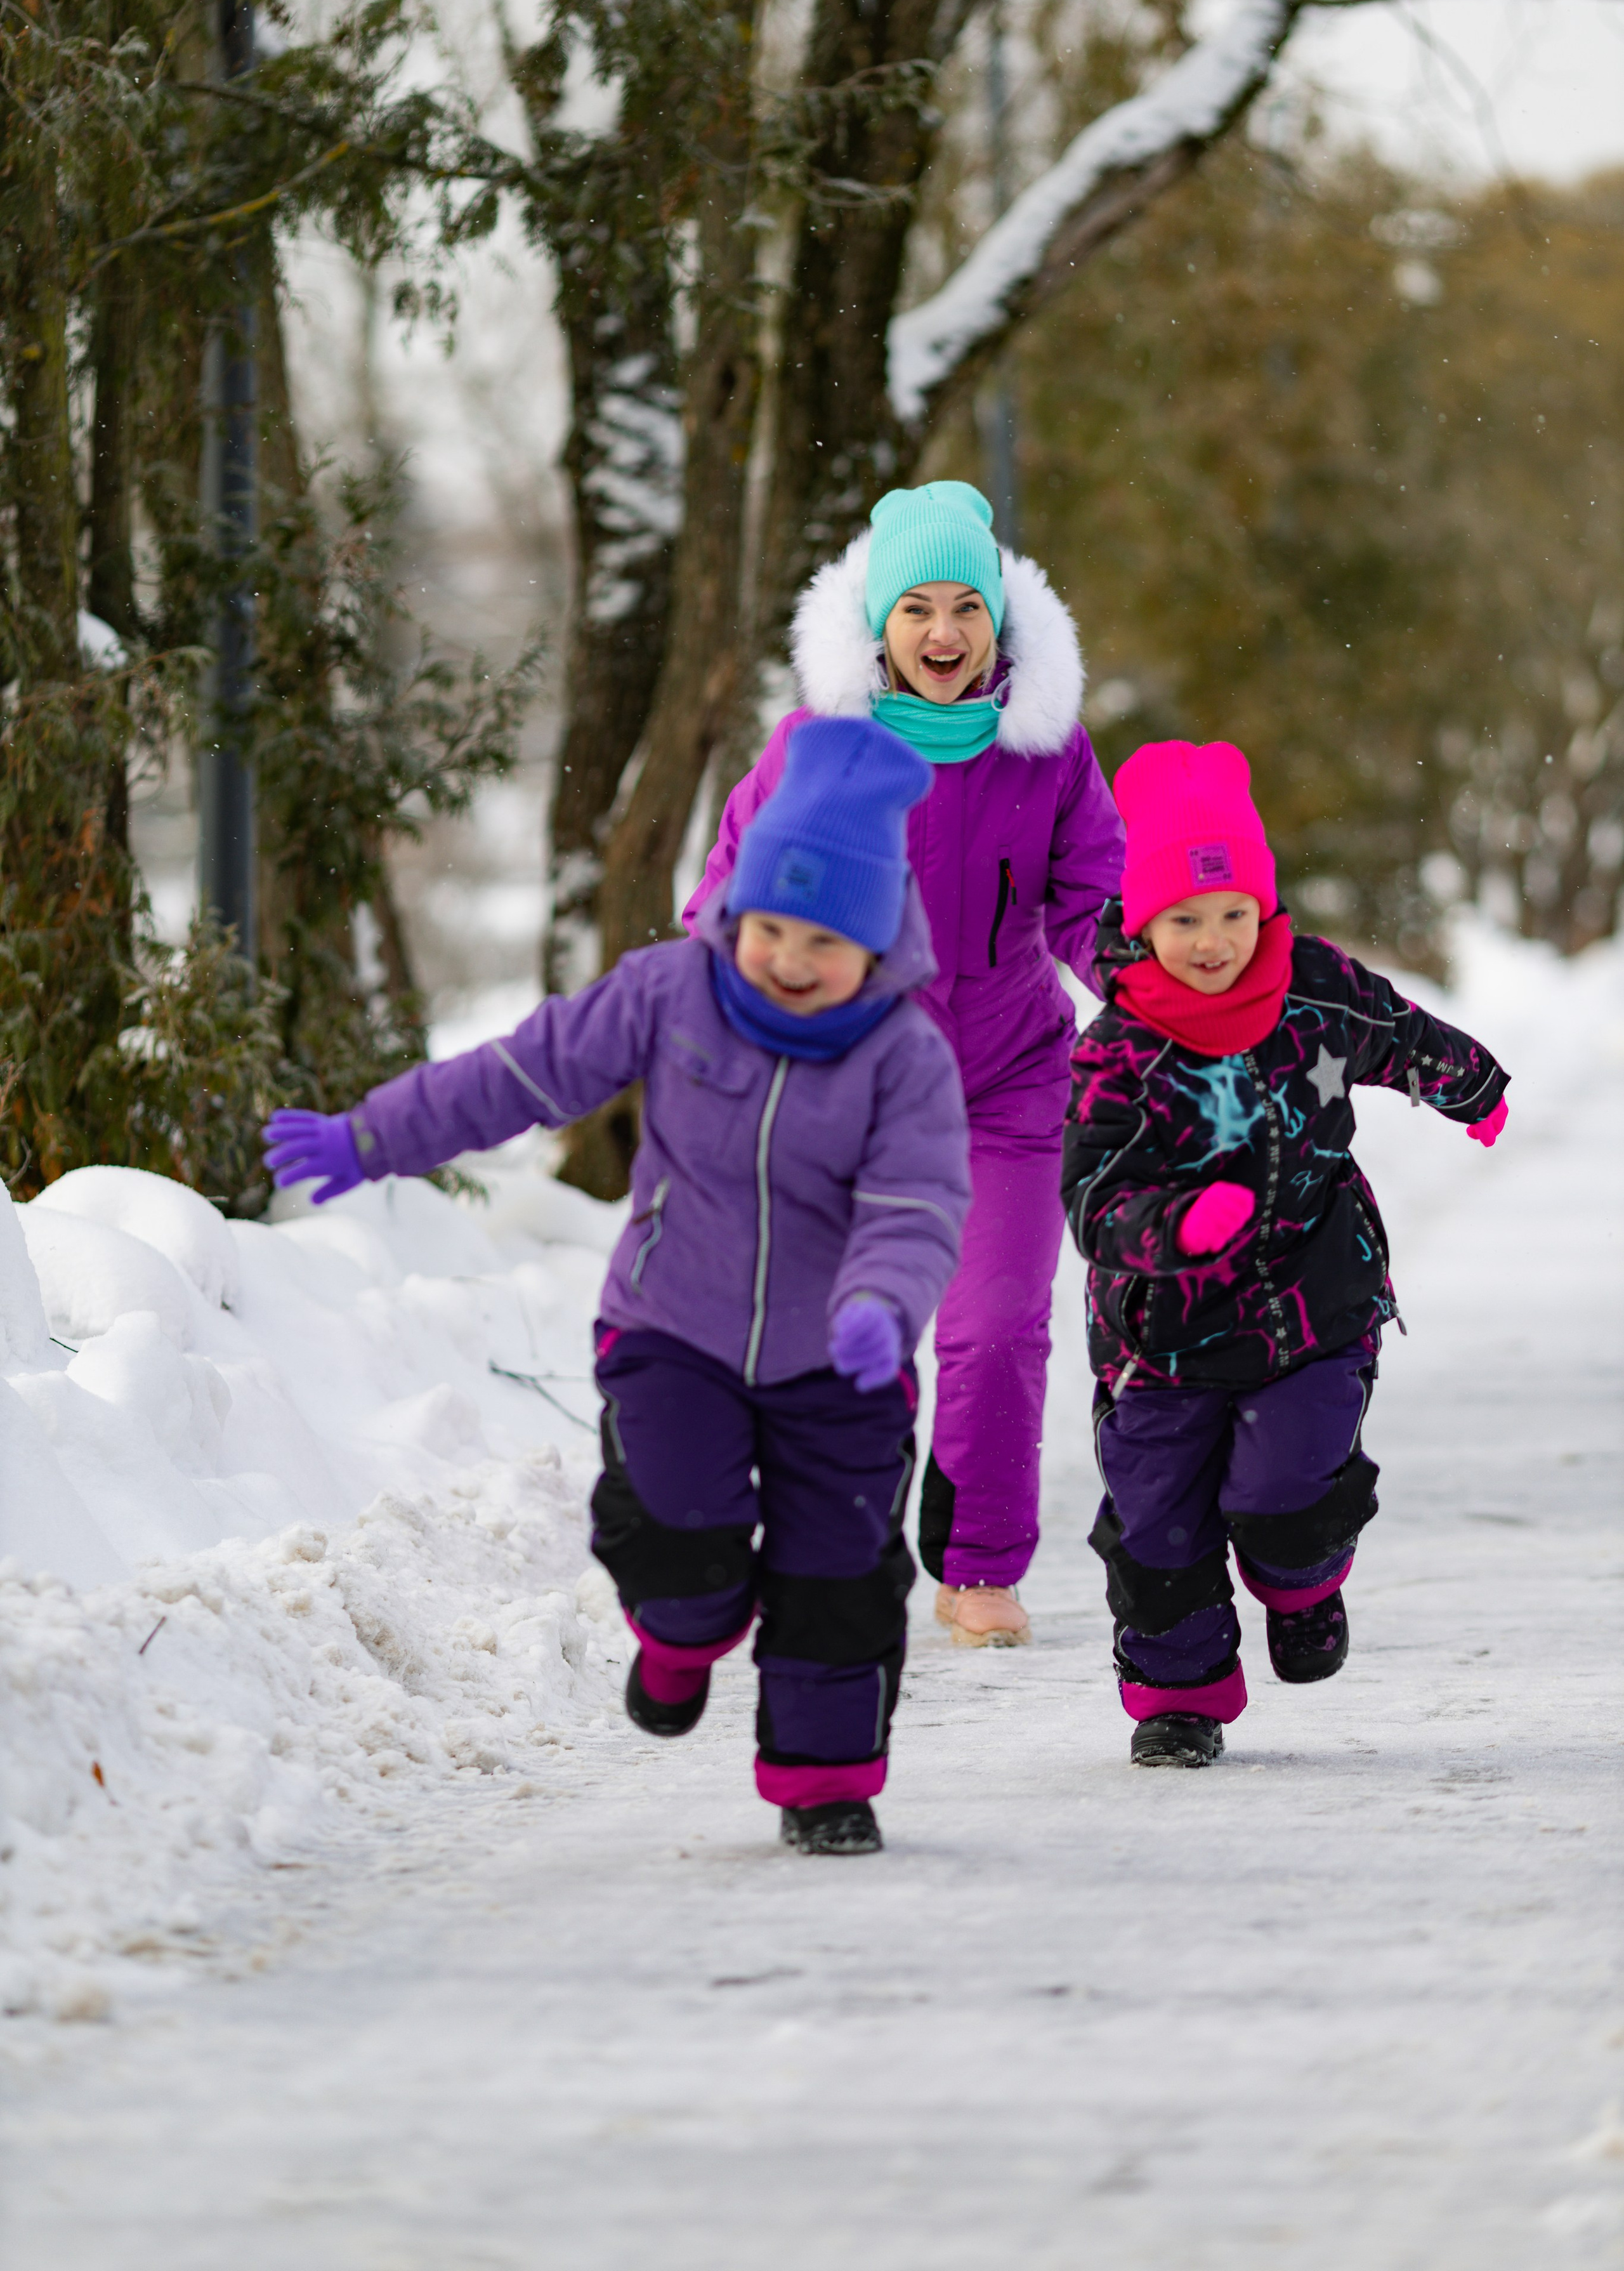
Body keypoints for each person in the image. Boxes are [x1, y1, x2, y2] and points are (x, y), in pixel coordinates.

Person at [263, 719, 971, 1855]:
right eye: (772, 926)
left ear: (882, 940)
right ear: (735, 909)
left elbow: (917, 1202)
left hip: (841, 1352)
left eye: (826, 939)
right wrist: (371, 1137)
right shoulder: (668, 991)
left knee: (839, 1571)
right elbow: (518, 1074)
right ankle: (681, 1637)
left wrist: (883, 1305)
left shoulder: (903, 1057)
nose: (790, 958)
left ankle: (824, 1781)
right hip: (672, 1326)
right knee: (682, 1540)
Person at [686, 481, 1123, 1648]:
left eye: (966, 610)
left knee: (993, 1327)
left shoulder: (1051, 756)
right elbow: (730, 899)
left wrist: (1145, 985)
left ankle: (980, 1567)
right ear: (878, 627)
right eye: (918, 609)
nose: (943, 635)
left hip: (1011, 1084)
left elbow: (1095, 904)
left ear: (1000, 625)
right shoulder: (814, 753)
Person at [1063, 740, 1510, 1768]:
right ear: (1140, 923)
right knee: (1155, 1529)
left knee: (1285, 1495)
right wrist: (1170, 1232)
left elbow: (1397, 1030)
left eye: (1232, 914)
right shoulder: (1117, 1050)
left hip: (1312, 1304)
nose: (1214, 940)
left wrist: (1470, 1087)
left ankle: (1304, 1579)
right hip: (1159, 1341)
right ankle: (1180, 1698)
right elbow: (1090, 1197)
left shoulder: (1312, 989)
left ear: (1263, 908)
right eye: (1184, 920)